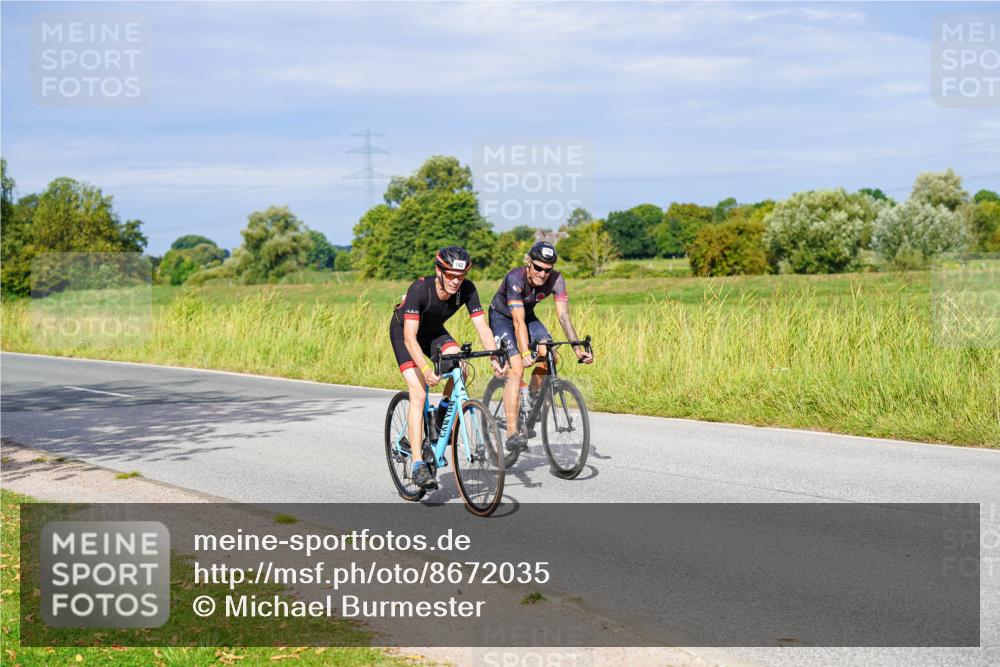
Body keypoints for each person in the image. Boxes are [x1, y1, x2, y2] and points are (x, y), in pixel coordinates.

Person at [390, 246, 506, 489]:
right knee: (419, 393)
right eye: (451, 275)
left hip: (433, 333)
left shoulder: (467, 289)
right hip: (405, 334)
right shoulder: (420, 289)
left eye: (460, 276)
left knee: (460, 368)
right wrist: (423, 367)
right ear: (438, 271)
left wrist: (494, 357)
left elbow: (482, 327)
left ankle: (441, 415)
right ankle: (418, 465)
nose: (456, 281)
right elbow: (410, 338)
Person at [488, 241, 593, 452]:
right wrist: (525, 351)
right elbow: (517, 322)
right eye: (538, 268)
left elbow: (563, 316)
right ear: (528, 262)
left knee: (550, 353)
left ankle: (533, 398)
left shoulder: (557, 280)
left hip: (527, 316)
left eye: (548, 269)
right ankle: (511, 433)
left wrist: (576, 348)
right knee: (517, 369)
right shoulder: (515, 278)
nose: (543, 274)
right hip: (503, 318)